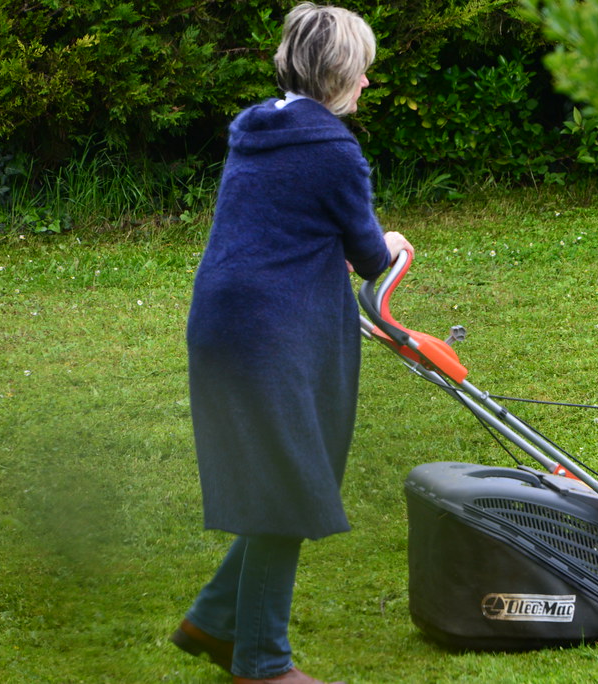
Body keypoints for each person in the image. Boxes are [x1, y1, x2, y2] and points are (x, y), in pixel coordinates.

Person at [169, 4, 412, 683]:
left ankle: (213, 621)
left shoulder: (258, 130)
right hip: (270, 332)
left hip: (223, 321)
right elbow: (368, 256)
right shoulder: (334, 150)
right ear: (339, 72)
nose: (366, 82)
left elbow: (278, 225)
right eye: (361, 70)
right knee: (286, 487)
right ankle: (263, 664)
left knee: (282, 479)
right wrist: (389, 243)